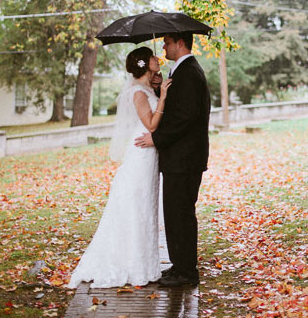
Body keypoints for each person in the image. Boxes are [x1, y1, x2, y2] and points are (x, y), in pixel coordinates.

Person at [67, 47, 172, 289]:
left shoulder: (147, 88)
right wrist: (163, 96)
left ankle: (145, 264)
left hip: (149, 156)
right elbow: (151, 125)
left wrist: (159, 87)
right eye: (154, 57)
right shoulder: (138, 92)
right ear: (145, 64)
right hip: (141, 154)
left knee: (146, 208)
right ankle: (131, 264)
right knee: (137, 207)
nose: (159, 59)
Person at [135, 32, 210, 287]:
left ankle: (187, 272)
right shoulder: (181, 71)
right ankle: (180, 266)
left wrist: (157, 139)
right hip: (181, 158)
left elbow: (184, 117)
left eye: (167, 42)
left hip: (185, 159)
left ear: (180, 43)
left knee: (181, 215)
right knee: (176, 215)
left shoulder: (188, 73)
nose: (164, 46)